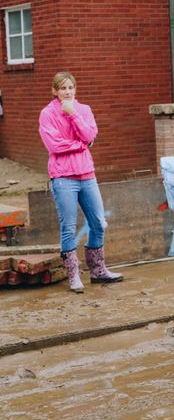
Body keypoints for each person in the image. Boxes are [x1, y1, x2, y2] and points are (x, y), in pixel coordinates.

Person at [39, 72, 123, 293]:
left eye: (71, 87)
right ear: (54, 91)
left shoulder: (83, 110)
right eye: (63, 88)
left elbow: (89, 134)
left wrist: (73, 114)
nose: (67, 92)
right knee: (68, 227)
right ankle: (74, 276)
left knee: (98, 222)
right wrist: (80, 145)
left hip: (87, 175)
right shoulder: (47, 114)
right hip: (63, 177)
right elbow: (55, 146)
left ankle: (98, 270)